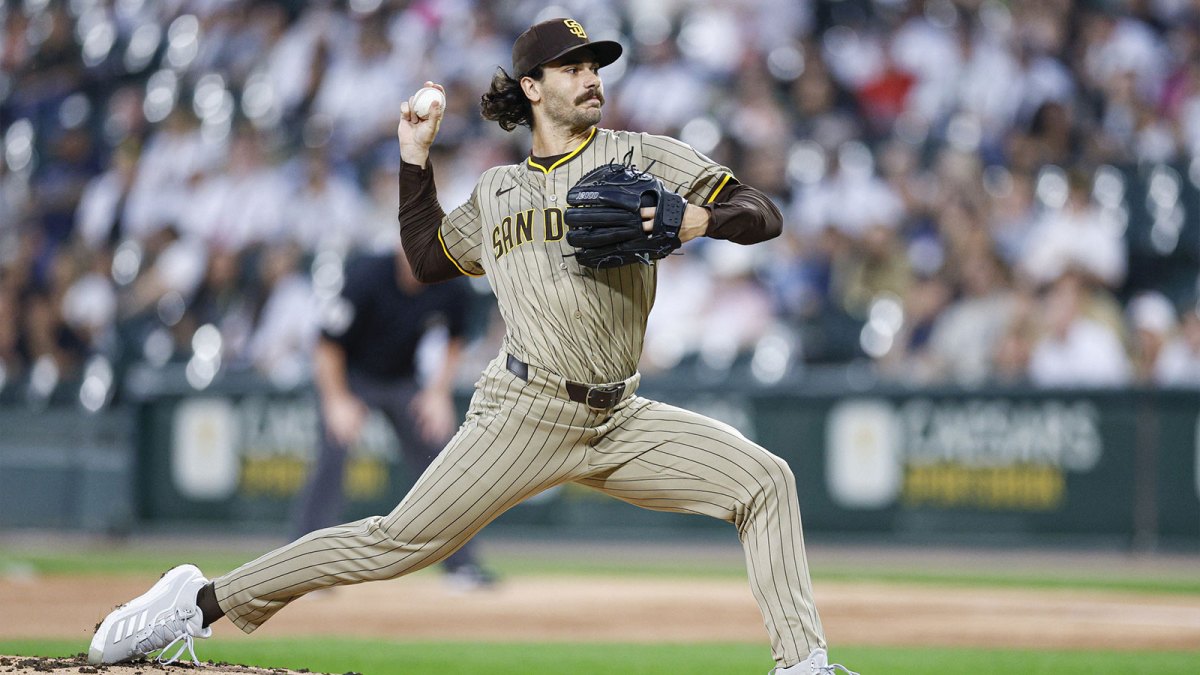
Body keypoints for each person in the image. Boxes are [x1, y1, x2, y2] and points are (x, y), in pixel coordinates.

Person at [88, 18, 854, 675]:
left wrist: (699, 220)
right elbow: (425, 260)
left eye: (596, 68)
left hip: (620, 415)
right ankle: (197, 600)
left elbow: (762, 212)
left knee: (765, 480)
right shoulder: (498, 193)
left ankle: (803, 662)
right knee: (393, 543)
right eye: (573, 68)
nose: (591, 80)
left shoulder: (644, 154)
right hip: (522, 412)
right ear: (531, 86)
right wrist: (412, 158)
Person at [294, 242, 494, 587]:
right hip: (351, 376)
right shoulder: (367, 275)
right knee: (331, 459)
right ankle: (303, 568)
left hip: (403, 380)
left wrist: (438, 393)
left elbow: (455, 339)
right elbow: (327, 344)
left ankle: (461, 565)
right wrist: (337, 401)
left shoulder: (451, 284)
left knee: (442, 457)